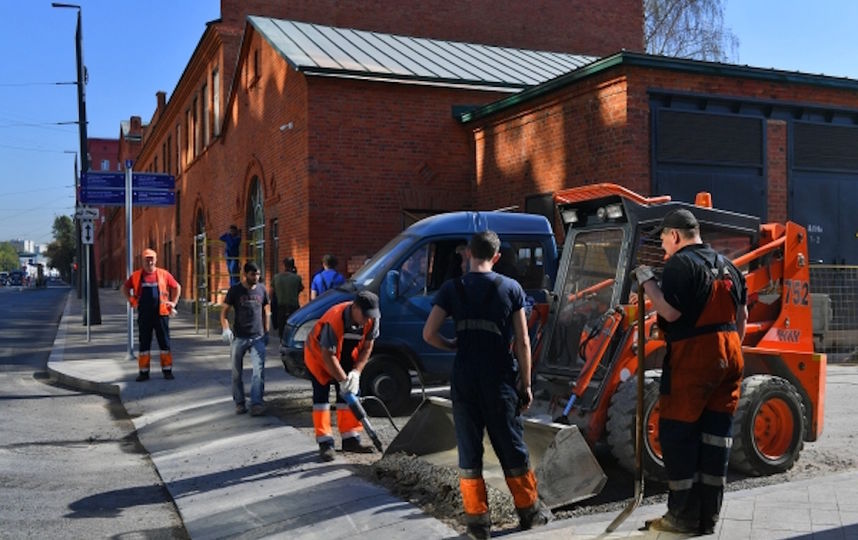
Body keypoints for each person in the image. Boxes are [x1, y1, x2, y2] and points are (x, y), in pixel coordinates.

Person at [422, 231, 552, 539]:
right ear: (495, 257)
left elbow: (428, 334)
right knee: (510, 445)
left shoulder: (451, 289)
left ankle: (478, 523)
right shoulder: (510, 288)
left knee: (469, 449)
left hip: (464, 377)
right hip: (498, 378)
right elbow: (522, 340)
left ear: (468, 253)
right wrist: (527, 383)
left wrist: (452, 345)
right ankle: (530, 513)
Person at [631, 208, 747, 535]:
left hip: (695, 359)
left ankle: (681, 517)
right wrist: (727, 349)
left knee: (678, 435)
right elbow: (742, 317)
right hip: (731, 355)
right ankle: (707, 518)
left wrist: (647, 282)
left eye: (665, 240)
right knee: (715, 438)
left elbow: (669, 310)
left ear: (676, 235)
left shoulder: (681, 264)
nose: (664, 247)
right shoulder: (728, 265)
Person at [304, 290, 381, 461]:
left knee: (349, 397)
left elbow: (367, 347)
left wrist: (356, 373)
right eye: (365, 315)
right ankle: (325, 444)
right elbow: (327, 355)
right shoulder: (335, 319)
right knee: (321, 399)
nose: (368, 319)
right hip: (319, 358)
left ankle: (351, 440)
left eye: (372, 315)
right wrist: (342, 381)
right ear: (355, 308)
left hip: (346, 357)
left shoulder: (373, 320)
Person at [121, 248, 181, 382]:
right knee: (144, 343)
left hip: (161, 314)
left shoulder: (164, 274)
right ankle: (143, 372)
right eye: (147, 259)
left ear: (156, 260)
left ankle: (167, 371)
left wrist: (174, 303)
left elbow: (177, 287)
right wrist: (131, 300)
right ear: (142, 261)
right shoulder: (136, 276)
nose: (149, 262)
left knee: (164, 342)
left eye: (151, 259)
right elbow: (124, 288)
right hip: (144, 314)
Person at [220, 261, 271, 416]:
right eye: (253, 274)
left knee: (259, 371)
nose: (256, 277)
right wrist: (226, 329)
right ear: (245, 275)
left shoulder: (262, 290)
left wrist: (266, 331)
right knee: (236, 373)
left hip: (257, 337)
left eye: (258, 274)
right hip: (239, 338)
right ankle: (240, 403)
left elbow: (267, 311)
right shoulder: (235, 290)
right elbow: (224, 312)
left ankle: (256, 403)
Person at [272, 256, 304, 338]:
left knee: (281, 331)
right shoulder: (297, 278)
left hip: (280, 307)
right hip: (293, 306)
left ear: (284, 265)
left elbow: (271, 292)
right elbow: (300, 289)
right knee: (293, 330)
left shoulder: (276, 277)